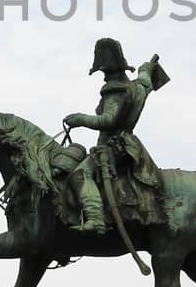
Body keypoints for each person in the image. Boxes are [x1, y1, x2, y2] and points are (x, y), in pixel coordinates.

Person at [62, 39, 167, 233]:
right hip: (129, 144)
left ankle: (96, 219)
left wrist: (80, 119)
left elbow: (108, 120)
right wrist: (145, 70)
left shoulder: (116, 90)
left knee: (80, 174)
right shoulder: (138, 87)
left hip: (112, 147)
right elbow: (146, 82)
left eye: (104, 72)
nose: (104, 77)